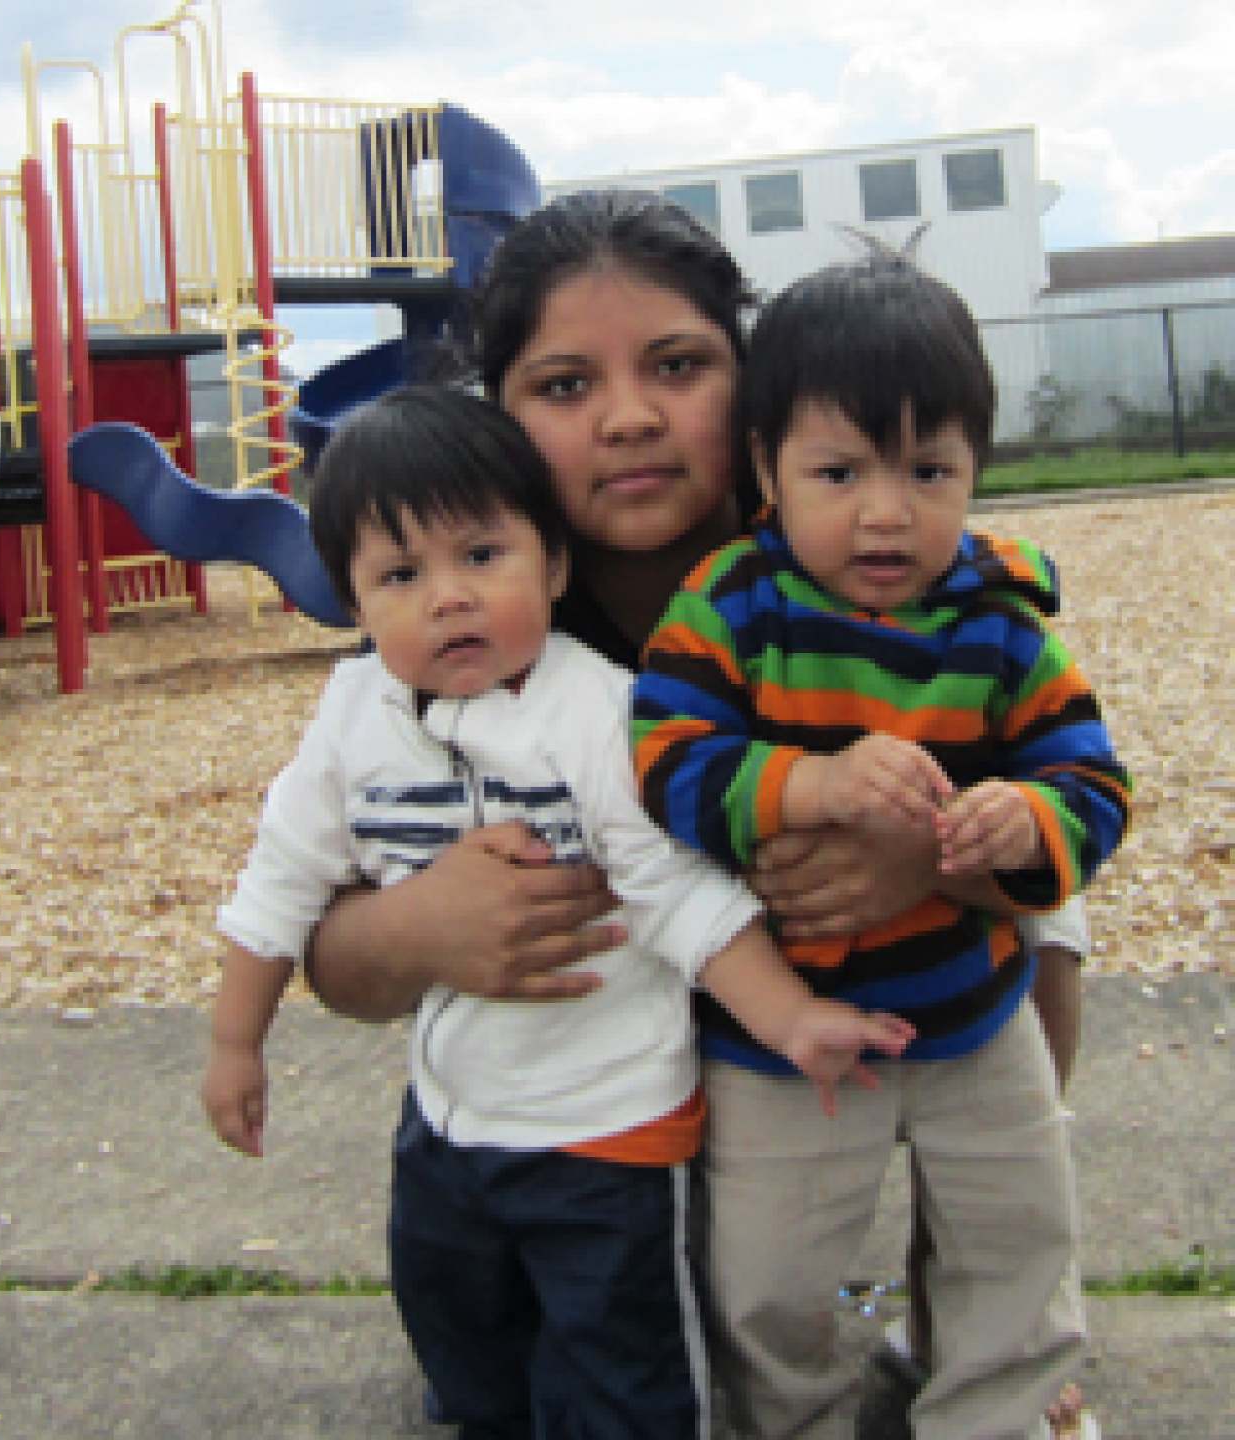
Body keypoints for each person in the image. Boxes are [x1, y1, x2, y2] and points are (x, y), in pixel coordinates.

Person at [300, 189, 1097, 1437]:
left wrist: (936, 865)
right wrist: (423, 929)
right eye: (563, 387)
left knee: (1045, 948)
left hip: (875, 1022)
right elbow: (326, 944)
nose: (629, 416)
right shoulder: (462, 638)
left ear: (761, 391)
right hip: (598, 1102)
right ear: (496, 422)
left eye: (679, 365)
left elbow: (1063, 817)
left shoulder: (865, 571)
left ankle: (985, 1338)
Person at [203, 383, 914, 1439]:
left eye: (482, 557)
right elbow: (282, 878)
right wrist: (234, 1044)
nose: (447, 597)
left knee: (621, 1371)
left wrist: (790, 1017)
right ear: (354, 602)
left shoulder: (596, 710)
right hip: (448, 1123)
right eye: (401, 575)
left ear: (555, 565)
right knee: (462, 1336)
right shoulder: (353, 716)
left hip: (609, 1129)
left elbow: (676, 892)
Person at [631, 256, 1130, 1439]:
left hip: (972, 1007)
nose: (888, 512)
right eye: (840, 472)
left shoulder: (1000, 624)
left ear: (977, 473)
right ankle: (790, 1419)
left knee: (1015, 1237)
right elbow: (665, 760)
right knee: (769, 1277)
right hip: (784, 1041)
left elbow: (1093, 780)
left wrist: (1025, 825)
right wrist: (805, 784)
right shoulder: (734, 606)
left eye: (930, 470)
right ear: (766, 471)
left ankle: (991, 1412)